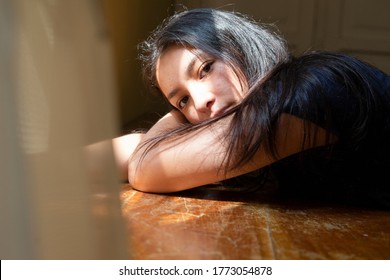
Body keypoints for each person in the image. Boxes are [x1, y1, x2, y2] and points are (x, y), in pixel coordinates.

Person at [113, 8, 390, 209]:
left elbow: (147, 166)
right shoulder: (256, 118)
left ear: (241, 50)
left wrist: (171, 125)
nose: (200, 102)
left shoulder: (308, 91)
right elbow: (137, 148)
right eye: (182, 100)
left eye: (205, 69)